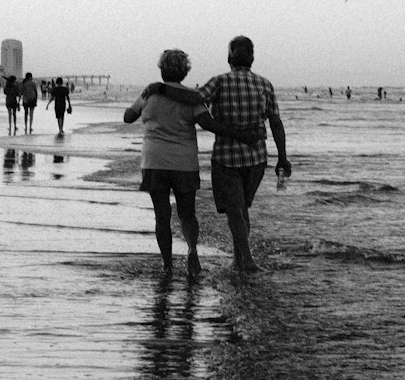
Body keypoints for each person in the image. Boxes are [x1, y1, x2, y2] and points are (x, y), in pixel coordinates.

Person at [148, 36, 290, 274]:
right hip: (257, 159)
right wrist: (283, 157)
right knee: (242, 208)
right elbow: (275, 122)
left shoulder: (220, 82)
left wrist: (162, 88)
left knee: (235, 210)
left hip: (226, 158)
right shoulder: (265, 84)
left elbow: (195, 98)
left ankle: (247, 262)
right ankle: (239, 260)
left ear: (228, 58)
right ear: (252, 58)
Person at [124, 50, 218, 278]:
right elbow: (207, 123)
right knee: (187, 214)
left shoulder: (150, 94)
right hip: (184, 162)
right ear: (185, 71)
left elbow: (128, 117)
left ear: (161, 69)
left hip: (154, 161)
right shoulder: (191, 97)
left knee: (162, 216)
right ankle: (192, 251)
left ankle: (167, 265)